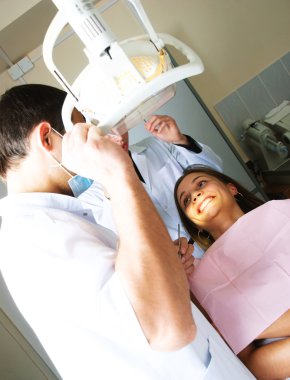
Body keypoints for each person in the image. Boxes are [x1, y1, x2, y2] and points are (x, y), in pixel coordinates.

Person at [0, 84, 254, 379]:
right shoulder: (35, 236)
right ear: (47, 138)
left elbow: (133, 301)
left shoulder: (50, 223)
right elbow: (167, 327)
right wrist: (118, 172)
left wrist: (167, 267)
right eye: (82, 131)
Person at [174, 165, 290, 379]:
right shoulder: (201, 280)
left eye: (201, 184)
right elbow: (252, 366)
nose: (196, 195)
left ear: (232, 189)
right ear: (193, 224)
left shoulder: (283, 211)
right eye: (187, 200)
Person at [79, 114, 223, 258]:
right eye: (105, 132)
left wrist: (180, 140)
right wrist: (110, 181)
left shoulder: (155, 145)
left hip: (221, 236)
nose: (118, 135)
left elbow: (215, 174)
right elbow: (126, 242)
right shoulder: (91, 201)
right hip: (184, 268)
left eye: (119, 125)